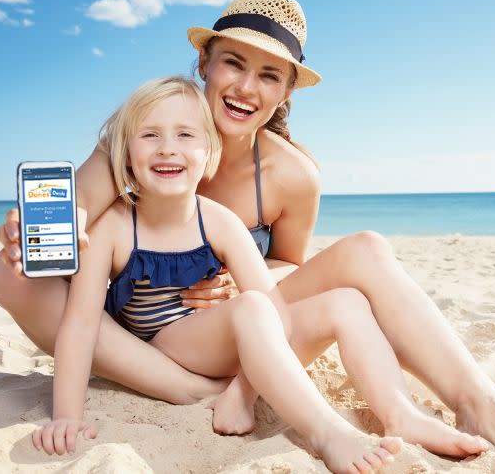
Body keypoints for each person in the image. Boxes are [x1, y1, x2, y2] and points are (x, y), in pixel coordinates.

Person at [0, 0, 495, 471]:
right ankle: (194, 391)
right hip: (134, 334)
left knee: (366, 252)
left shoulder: (288, 175)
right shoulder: (145, 135)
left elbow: (288, 272)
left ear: (286, 91)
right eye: (233, 63)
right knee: (7, 275)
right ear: (204, 62)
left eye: (269, 75)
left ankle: (474, 399)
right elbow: (68, 231)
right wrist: (21, 234)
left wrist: (238, 284)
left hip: (238, 331)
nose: (246, 88)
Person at [28, 75, 404, 473]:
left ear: (210, 151)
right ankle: (326, 433)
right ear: (125, 153)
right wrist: (66, 415)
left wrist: (244, 388)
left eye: (185, 135)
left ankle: (400, 413)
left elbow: (278, 316)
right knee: (252, 308)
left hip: (230, 345)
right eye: (150, 135)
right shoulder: (113, 228)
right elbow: (81, 324)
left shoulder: (220, 222)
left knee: (345, 302)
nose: (168, 149)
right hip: (166, 348)